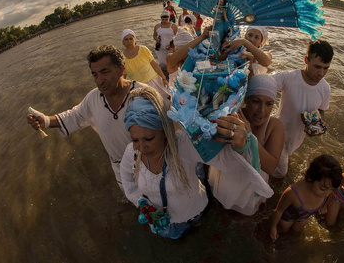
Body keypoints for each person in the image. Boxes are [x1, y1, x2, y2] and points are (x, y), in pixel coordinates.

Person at [120, 87, 272, 239]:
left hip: (194, 212)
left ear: (165, 130)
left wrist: (240, 144)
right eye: (135, 140)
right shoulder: (132, 153)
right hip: (160, 219)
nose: (141, 147)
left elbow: (226, 161)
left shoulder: (184, 144)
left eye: (149, 139)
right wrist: (143, 204)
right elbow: (128, 182)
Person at [26, 45, 146, 192]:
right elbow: (75, 115)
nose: (100, 80)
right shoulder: (93, 98)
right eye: (95, 75)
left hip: (151, 164)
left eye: (105, 72)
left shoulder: (143, 95)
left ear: (121, 69)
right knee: (138, 203)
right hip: (121, 168)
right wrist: (46, 120)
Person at [208, 74, 285, 215]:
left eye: (269, 104)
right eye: (256, 101)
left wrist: (249, 136)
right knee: (220, 207)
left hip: (250, 188)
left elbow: (271, 167)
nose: (262, 110)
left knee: (245, 214)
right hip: (226, 179)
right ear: (246, 100)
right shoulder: (232, 116)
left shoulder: (274, 126)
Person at [272, 39, 334, 178]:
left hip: (297, 138)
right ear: (306, 60)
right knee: (281, 173)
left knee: (284, 159)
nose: (321, 73)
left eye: (326, 68)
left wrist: (318, 123)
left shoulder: (325, 88)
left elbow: (321, 110)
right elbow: (264, 84)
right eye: (317, 67)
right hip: (278, 134)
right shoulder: (288, 77)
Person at [270, 154, 342, 240]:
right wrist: (273, 227)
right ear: (311, 178)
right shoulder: (293, 193)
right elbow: (279, 210)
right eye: (323, 188)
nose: (327, 194)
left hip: (304, 217)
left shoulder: (326, 190)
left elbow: (330, 193)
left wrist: (324, 205)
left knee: (296, 232)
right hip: (288, 216)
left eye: (331, 190)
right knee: (284, 230)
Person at [120, 29, 169, 100]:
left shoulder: (143, 50)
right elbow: (123, 76)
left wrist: (164, 78)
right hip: (138, 88)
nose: (129, 41)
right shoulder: (122, 58)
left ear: (134, 39)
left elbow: (154, 64)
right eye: (126, 39)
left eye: (131, 38)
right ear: (123, 42)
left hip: (153, 81)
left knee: (164, 101)